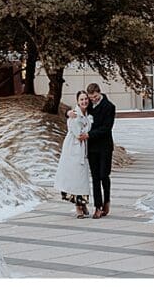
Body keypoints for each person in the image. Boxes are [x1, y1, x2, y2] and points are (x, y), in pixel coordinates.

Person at [53, 90, 92, 218]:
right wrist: (87, 133)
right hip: (73, 150)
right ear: (77, 101)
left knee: (83, 179)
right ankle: (78, 206)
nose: (84, 101)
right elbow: (79, 135)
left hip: (83, 151)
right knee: (75, 178)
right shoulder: (74, 116)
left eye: (86, 99)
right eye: (81, 99)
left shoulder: (89, 114)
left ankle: (83, 203)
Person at [83, 82, 116, 219]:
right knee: (95, 177)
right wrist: (69, 113)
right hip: (92, 147)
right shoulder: (88, 106)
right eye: (91, 98)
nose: (93, 99)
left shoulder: (109, 107)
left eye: (95, 96)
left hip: (105, 146)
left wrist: (90, 134)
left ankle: (106, 200)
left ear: (99, 92)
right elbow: (78, 111)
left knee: (104, 175)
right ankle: (97, 206)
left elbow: (107, 127)